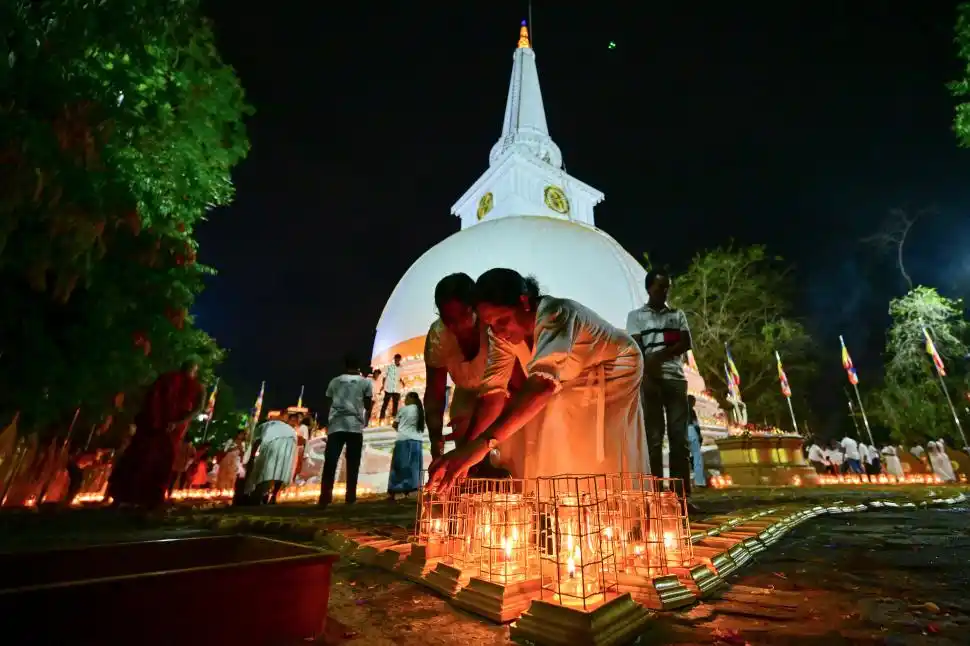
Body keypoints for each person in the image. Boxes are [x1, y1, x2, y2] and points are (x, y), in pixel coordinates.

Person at [427, 268, 648, 492]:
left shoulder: (556, 314)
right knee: (537, 425)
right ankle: (566, 506)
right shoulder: (500, 334)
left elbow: (542, 387)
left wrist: (483, 445)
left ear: (524, 302)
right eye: (490, 324)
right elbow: (493, 393)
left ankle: (605, 501)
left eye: (502, 320)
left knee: (583, 434)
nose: (498, 331)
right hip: (567, 379)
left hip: (615, 366)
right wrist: (466, 451)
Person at [625, 270, 693, 496]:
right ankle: (654, 496)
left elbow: (685, 343)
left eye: (666, 288)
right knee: (654, 439)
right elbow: (637, 349)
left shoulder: (677, 314)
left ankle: (680, 496)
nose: (663, 292)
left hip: (675, 379)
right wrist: (650, 364)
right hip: (650, 380)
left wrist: (657, 357)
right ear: (648, 289)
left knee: (679, 440)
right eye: (659, 287)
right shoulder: (636, 317)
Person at [106, 360, 204, 509]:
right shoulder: (175, 381)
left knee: (146, 458)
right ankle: (139, 498)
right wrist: (174, 421)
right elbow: (194, 409)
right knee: (148, 459)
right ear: (195, 370)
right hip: (158, 426)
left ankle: (134, 498)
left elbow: (195, 408)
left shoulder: (189, 385)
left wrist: (173, 421)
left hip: (160, 425)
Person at [423, 273, 491, 461]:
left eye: (463, 315)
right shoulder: (438, 336)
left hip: (503, 395)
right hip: (465, 399)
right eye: (448, 319)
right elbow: (434, 395)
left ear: (476, 307)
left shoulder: (493, 324)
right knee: (468, 465)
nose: (457, 325)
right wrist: (436, 443)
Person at [319, 355, 373, 507]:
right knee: (353, 462)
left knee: (330, 462)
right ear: (358, 366)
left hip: (336, 425)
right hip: (355, 426)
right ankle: (350, 497)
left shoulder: (335, 381)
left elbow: (328, 401)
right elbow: (368, 404)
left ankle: (325, 496)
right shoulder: (365, 382)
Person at [245, 413, 299, 504]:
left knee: (266, 472)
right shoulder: (282, 428)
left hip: (274, 448)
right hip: (286, 447)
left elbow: (256, 442)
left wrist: (252, 456)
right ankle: (270, 495)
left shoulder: (265, 427)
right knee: (280, 471)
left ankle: (262, 495)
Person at [387, 392, 426, 500]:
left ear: (410, 398)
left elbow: (395, 424)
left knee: (400, 466)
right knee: (414, 467)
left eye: (406, 398)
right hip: (417, 441)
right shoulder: (421, 411)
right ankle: (413, 490)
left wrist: (402, 430)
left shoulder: (403, 409)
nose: (405, 400)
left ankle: (398, 490)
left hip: (403, 440)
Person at [686, 395, 706, 489]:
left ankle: (685, 482)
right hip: (691, 431)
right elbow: (695, 424)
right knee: (697, 456)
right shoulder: (691, 411)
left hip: (682, 432)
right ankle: (699, 481)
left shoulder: (680, 409)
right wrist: (699, 435)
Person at [379, 354, 404, 423]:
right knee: (385, 403)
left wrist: (402, 382)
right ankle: (381, 418)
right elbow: (384, 376)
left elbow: (399, 377)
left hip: (396, 388)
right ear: (394, 359)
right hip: (388, 388)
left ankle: (394, 418)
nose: (397, 360)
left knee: (395, 404)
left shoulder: (401, 367)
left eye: (398, 359)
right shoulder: (389, 367)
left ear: (400, 359)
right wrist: (383, 385)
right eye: (396, 359)